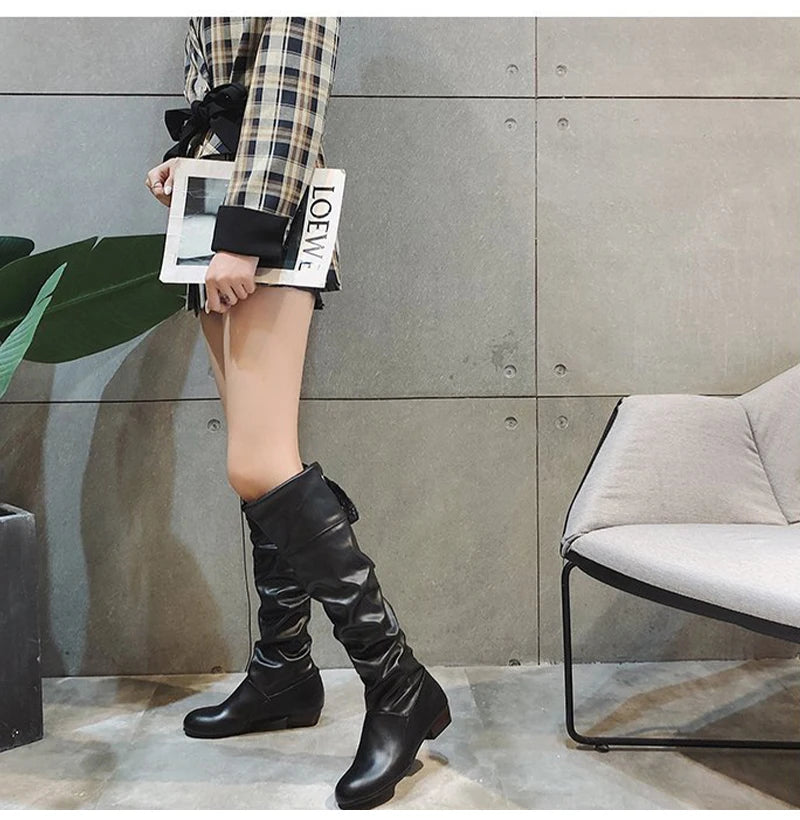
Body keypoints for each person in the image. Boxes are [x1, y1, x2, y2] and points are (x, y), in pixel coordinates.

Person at [145, 17, 451, 811]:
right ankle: (284, 670)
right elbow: (225, 89)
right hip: (217, 220)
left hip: (260, 226)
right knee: (261, 467)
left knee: (261, 463)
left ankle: (399, 684)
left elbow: (290, 95)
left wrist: (247, 234)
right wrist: (187, 159)